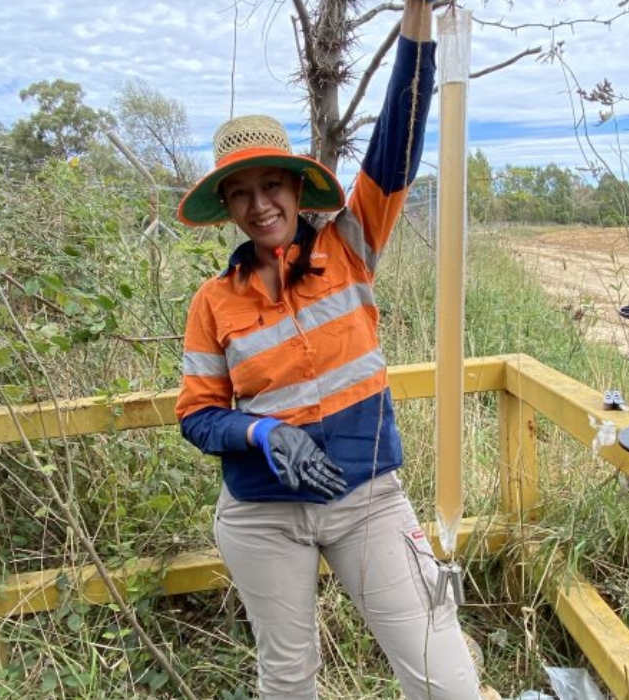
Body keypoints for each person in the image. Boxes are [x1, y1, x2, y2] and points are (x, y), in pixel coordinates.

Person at [174, 1, 486, 697]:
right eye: (242, 193)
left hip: (369, 499)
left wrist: (416, 23)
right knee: (288, 678)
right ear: (227, 207)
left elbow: (397, 144)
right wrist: (261, 433)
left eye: (272, 185)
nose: (260, 205)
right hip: (260, 516)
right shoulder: (213, 302)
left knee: (446, 675)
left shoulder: (351, 244)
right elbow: (197, 416)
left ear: (296, 187)